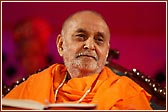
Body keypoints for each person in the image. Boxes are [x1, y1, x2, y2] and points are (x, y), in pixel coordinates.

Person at [4, 10, 152, 110]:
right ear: (61, 45)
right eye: (81, 36)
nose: (89, 45)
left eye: (99, 40)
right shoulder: (36, 83)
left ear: (106, 52)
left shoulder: (126, 92)